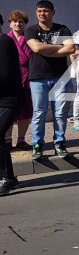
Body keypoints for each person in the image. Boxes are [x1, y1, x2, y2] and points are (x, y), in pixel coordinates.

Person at [25, 0, 78, 159]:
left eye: (46, 11)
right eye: (39, 11)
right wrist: (58, 48)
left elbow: (71, 48)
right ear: (36, 12)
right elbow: (36, 48)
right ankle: (37, 144)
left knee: (60, 113)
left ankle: (59, 143)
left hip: (61, 77)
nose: (42, 14)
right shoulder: (31, 30)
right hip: (38, 77)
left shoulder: (62, 29)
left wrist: (46, 49)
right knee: (39, 112)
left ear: (53, 12)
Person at [0, 12, 24, 196]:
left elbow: (5, 75)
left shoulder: (4, 42)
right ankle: (9, 178)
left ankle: (7, 178)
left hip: (9, 100)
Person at [4, 10, 32, 151]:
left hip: (27, 75)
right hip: (10, 76)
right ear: (10, 24)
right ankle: (7, 139)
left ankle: (21, 139)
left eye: (21, 21)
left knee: (26, 109)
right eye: (15, 21)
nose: (18, 24)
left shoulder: (30, 39)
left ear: (25, 24)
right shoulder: (5, 39)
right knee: (9, 110)